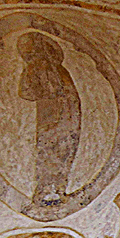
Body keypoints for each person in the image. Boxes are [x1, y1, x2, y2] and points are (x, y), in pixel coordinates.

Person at [17, 32, 81, 208]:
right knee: (49, 151)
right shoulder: (37, 69)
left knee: (62, 150)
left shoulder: (56, 70)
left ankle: (57, 189)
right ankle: (46, 190)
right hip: (52, 117)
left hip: (64, 116)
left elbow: (69, 95)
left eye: (31, 49)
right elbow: (26, 92)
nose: (29, 54)